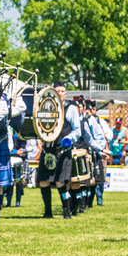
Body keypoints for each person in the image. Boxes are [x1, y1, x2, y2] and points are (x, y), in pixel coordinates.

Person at [36, 82, 81, 219]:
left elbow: (77, 130)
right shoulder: (45, 107)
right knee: (44, 181)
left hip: (62, 149)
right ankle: (48, 212)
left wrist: (68, 139)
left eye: (62, 91)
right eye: (57, 91)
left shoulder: (71, 108)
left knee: (60, 182)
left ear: (65, 94)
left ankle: (66, 211)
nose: (60, 93)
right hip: (47, 149)